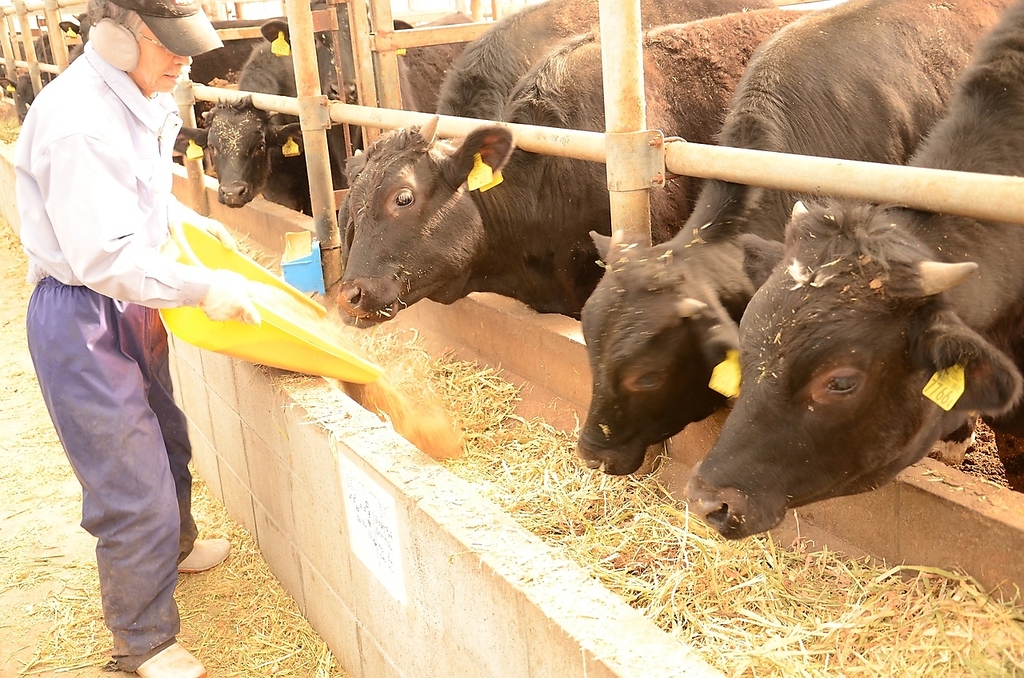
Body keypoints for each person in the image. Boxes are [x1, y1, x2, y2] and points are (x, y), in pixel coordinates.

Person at [14, 0, 262, 674]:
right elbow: (103, 258)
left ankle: (175, 549)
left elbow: (129, 191)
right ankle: (143, 640)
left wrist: (180, 220)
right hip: (83, 314)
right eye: (172, 46)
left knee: (168, 437)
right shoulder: (77, 123)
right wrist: (204, 288)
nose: (185, 59)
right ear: (122, 36)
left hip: (133, 302)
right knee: (130, 480)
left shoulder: (134, 95)